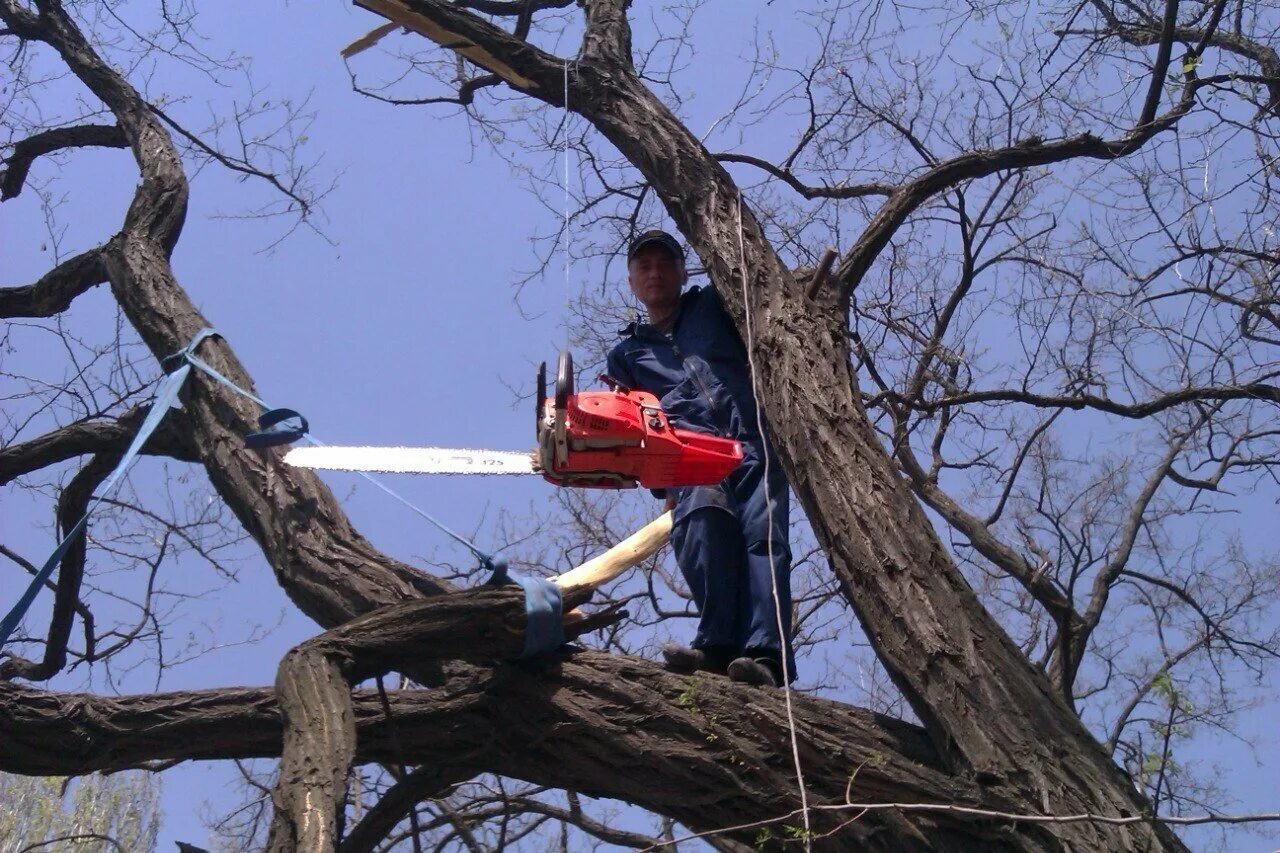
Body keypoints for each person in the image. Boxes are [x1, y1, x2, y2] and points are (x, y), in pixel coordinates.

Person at [606, 229, 794, 687]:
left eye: (665, 264)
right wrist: (662, 483)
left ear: (682, 271)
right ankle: (717, 647)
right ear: (631, 281)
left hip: (752, 439)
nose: (655, 273)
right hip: (689, 459)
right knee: (702, 525)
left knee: (764, 539)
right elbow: (630, 427)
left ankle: (766, 657)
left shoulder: (713, 305)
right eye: (644, 267)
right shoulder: (626, 355)